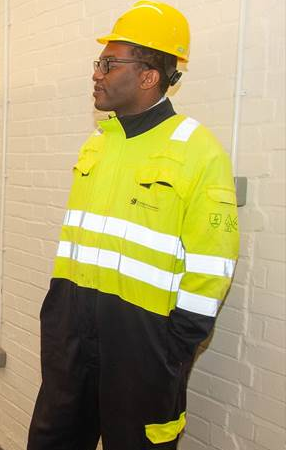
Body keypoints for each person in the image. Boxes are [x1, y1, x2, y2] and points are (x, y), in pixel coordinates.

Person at [27, 2, 239, 449]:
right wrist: (59, 317)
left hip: (143, 344)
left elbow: (213, 262)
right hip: (72, 332)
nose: (97, 74)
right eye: (98, 63)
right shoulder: (98, 146)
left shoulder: (198, 151)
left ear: (148, 76)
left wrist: (171, 350)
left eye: (109, 63)